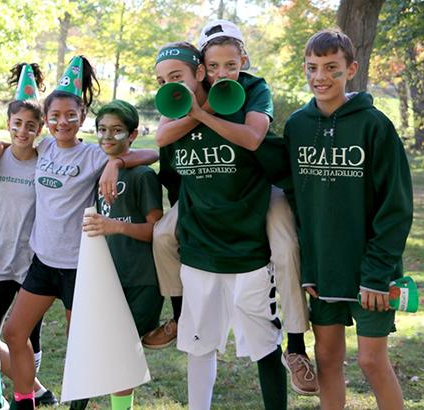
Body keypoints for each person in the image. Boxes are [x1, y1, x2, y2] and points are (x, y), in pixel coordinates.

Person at [154, 21, 317, 395]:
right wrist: (199, 104)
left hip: (261, 181)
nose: (222, 72)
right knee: (163, 234)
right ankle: (179, 318)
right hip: (206, 195)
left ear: (243, 58)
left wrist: (200, 115)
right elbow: (162, 136)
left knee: (285, 245)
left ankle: (295, 345)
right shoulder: (191, 89)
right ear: (201, 66)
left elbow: (253, 137)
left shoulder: (254, 87)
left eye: (231, 64)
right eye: (213, 65)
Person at [0, 55, 159, 410]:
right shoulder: (46, 147)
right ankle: (25, 400)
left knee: (80, 344)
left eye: (71, 115)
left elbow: (148, 154)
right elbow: (20, 148)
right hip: (42, 262)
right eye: (54, 116)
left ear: (82, 118)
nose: (62, 122)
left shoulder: (94, 155)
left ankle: (79, 405)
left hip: (78, 266)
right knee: (14, 332)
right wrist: (1, 146)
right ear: (46, 120)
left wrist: (115, 162)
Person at [283, 29, 412, 410]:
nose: (320, 77)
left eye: (331, 68)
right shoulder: (297, 126)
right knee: (327, 361)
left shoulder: (375, 125)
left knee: (372, 362)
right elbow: (292, 201)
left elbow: (396, 207)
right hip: (322, 270)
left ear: (351, 69)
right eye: (312, 68)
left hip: (371, 272)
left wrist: (376, 274)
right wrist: (306, 265)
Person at [0, 63, 56, 409]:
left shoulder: (47, 161)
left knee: (29, 338)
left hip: (35, 263)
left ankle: (29, 394)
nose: (23, 131)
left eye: (30, 126)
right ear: (8, 125)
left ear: (40, 129)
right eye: (16, 124)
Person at [82, 99, 164, 410]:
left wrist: (114, 226)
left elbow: (156, 231)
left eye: (117, 131)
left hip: (141, 278)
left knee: (122, 352)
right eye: (102, 129)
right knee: (107, 349)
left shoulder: (142, 176)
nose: (107, 137)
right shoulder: (99, 169)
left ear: (132, 135)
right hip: (108, 276)